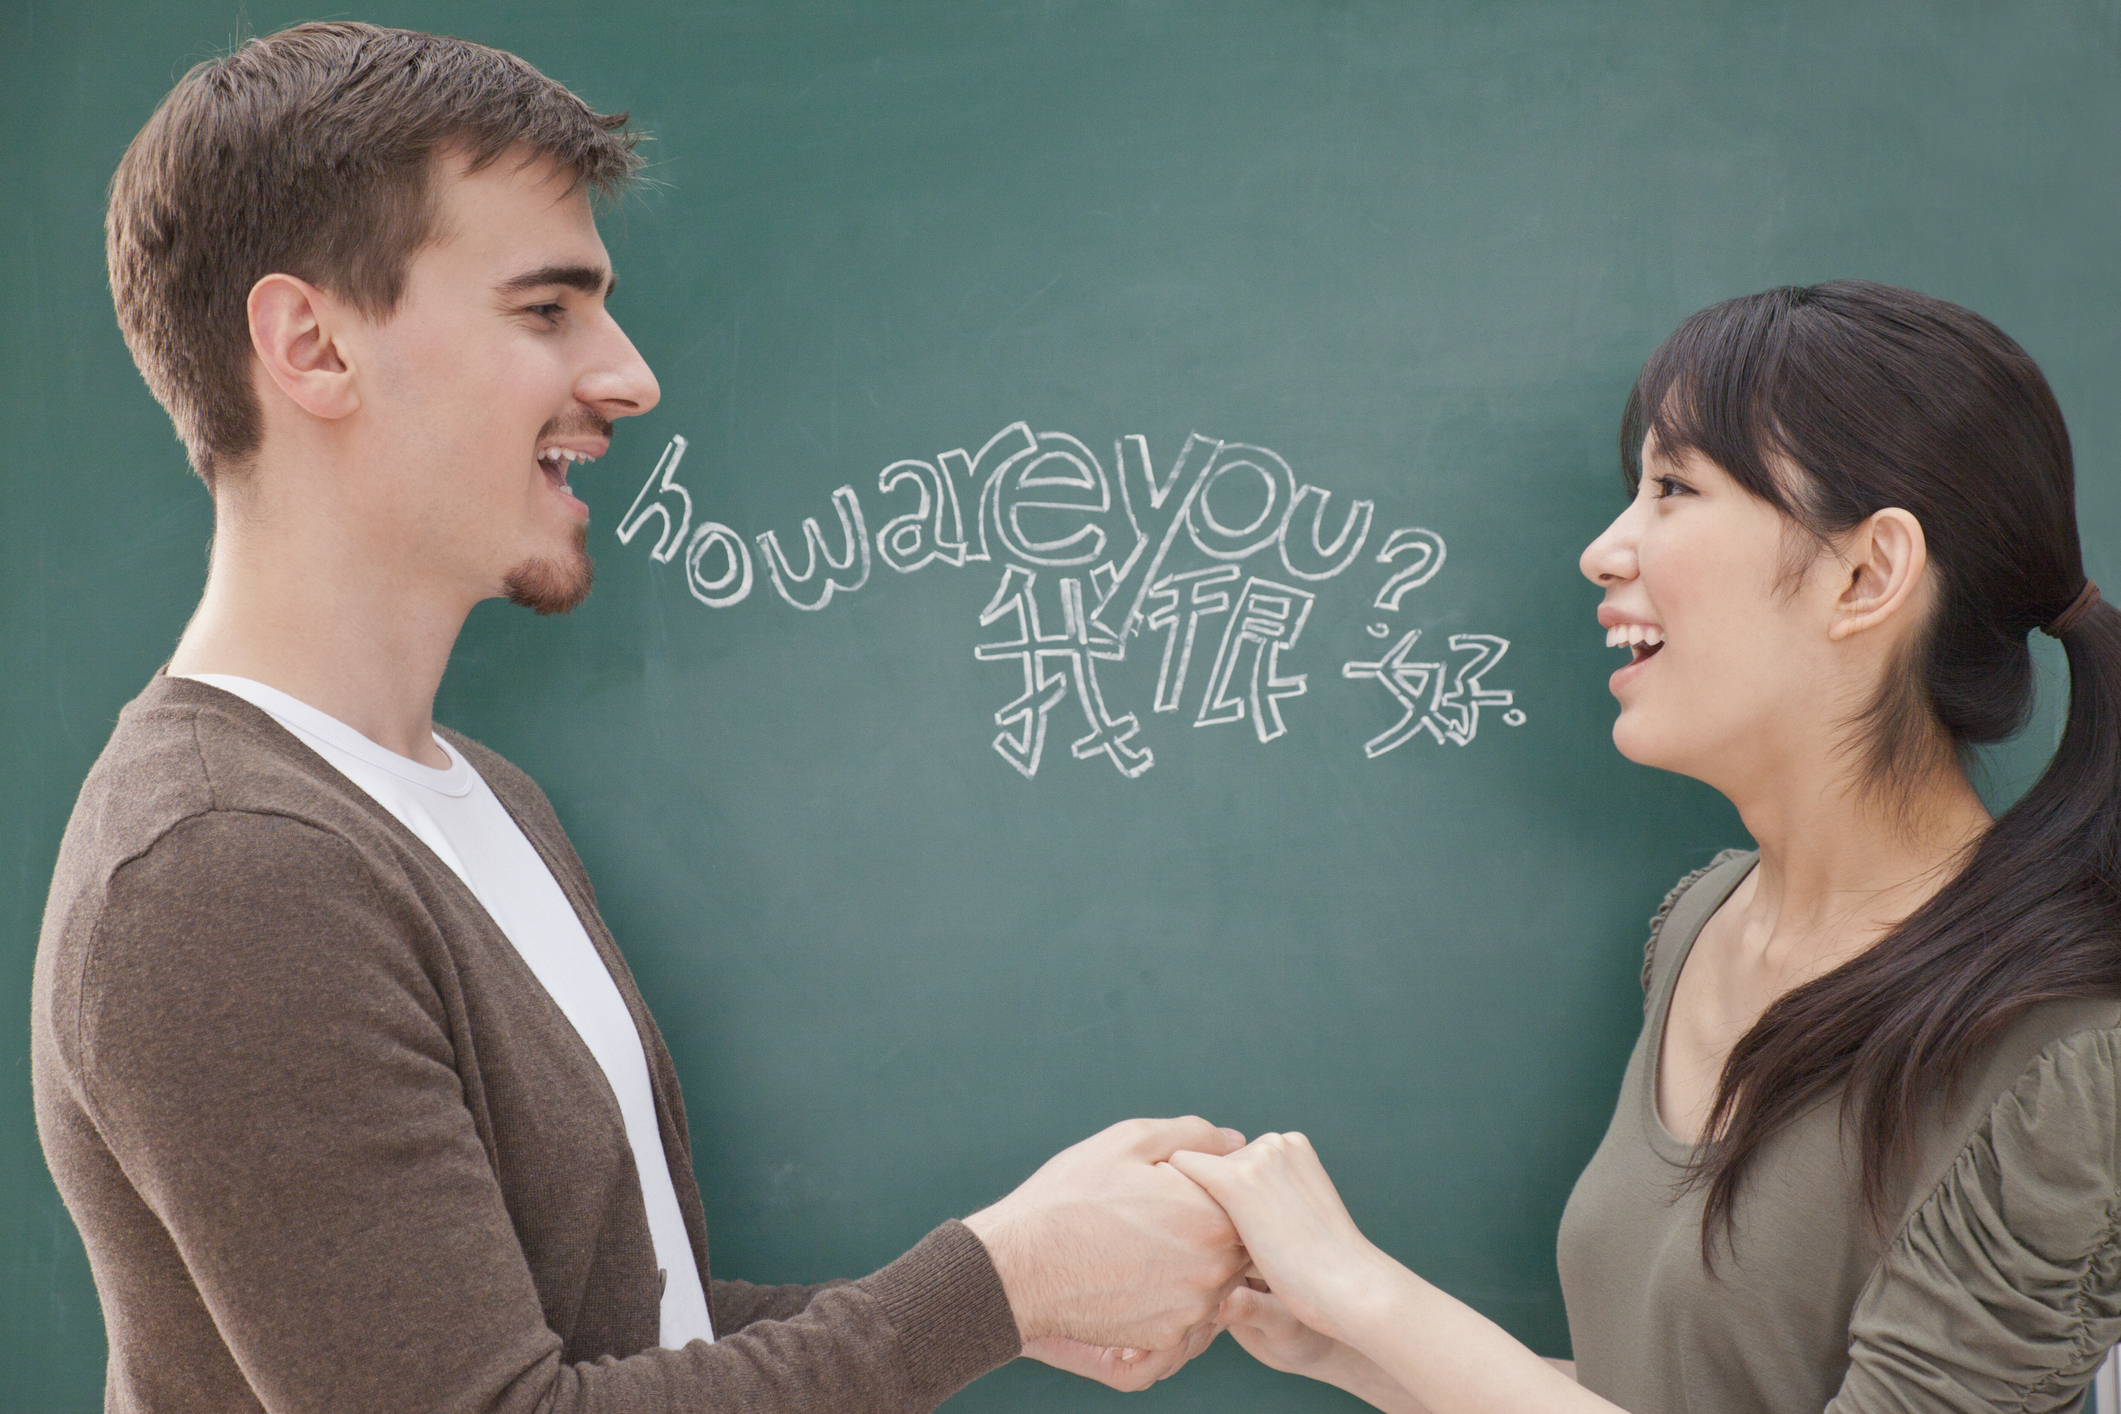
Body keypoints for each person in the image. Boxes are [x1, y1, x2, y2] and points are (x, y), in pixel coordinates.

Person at [29, 22, 1247, 1413]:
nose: (628, 376)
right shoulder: (225, 871)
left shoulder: (471, 795)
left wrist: (1036, 1283)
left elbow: (614, 1323)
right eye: (546, 311)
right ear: (312, 344)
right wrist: (995, 1283)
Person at [1167, 281, 2121, 1413]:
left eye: (1674, 487)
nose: (1603, 551)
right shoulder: (1699, 926)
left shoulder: (2063, 1057)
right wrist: (1338, 1338)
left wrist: (1371, 1294)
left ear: (1869, 575)